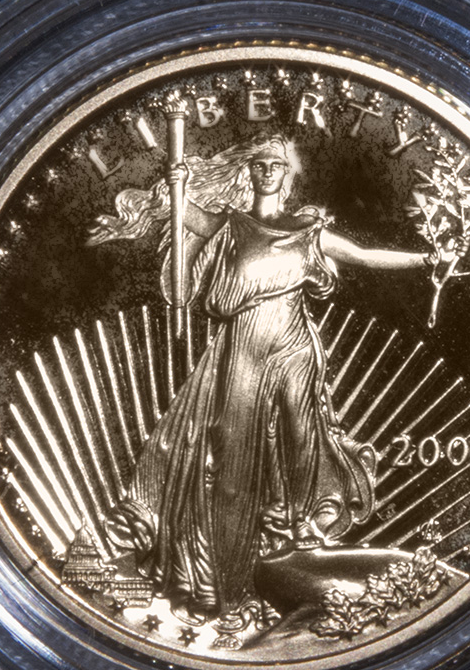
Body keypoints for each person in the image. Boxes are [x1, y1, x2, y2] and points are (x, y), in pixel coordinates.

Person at [88, 135, 433, 622]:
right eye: (260, 164)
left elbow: (363, 254)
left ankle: (301, 528)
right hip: (243, 348)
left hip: (293, 345)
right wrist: (176, 183)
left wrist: (427, 261)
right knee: (233, 449)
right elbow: (187, 217)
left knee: (302, 433)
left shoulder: (308, 230)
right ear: (249, 172)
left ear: (287, 176)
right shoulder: (230, 225)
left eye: (276, 164)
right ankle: (229, 567)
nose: (268, 170)